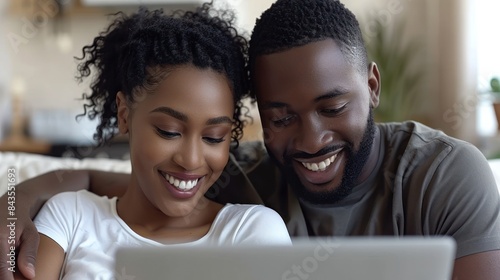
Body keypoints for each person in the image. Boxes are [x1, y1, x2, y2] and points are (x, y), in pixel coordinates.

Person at [2, 0, 499, 279]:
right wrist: (13, 202)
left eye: (332, 107)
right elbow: (122, 188)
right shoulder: (244, 176)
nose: (311, 140)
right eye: (280, 117)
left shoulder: (445, 174)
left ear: (371, 86)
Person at [6, 3, 292, 280]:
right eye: (169, 131)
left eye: (213, 137)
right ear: (124, 114)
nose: (191, 160)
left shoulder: (252, 232)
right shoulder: (70, 216)